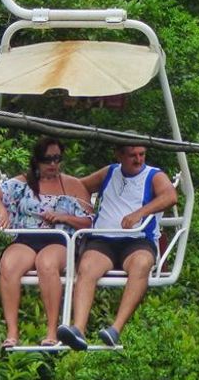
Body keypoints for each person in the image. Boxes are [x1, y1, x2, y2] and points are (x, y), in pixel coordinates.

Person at [56, 144, 177, 350]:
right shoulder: (110, 172)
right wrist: (45, 179)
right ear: (119, 155)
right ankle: (79, 329)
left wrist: (140, 213)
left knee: (142, 263)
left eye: (142, 154)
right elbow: (79, 186)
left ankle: (115, 329)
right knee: (86, 267)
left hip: (137, 239)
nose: (138, 160)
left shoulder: (154, 175)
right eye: (132, 155)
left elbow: (170, 196)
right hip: (103, 240)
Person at [0, 135, 93, 348]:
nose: (53, 164)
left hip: (58, 239)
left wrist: (64, 217)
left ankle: (52, 331)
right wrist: (2, 211)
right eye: (47, 159)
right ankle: (12, 332)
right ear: (37, 160)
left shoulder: (73, 185)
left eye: (57, 159)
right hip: (27, 237)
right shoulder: (23, 183)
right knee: (8, 265)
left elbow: (89, 221)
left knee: (47, 263)